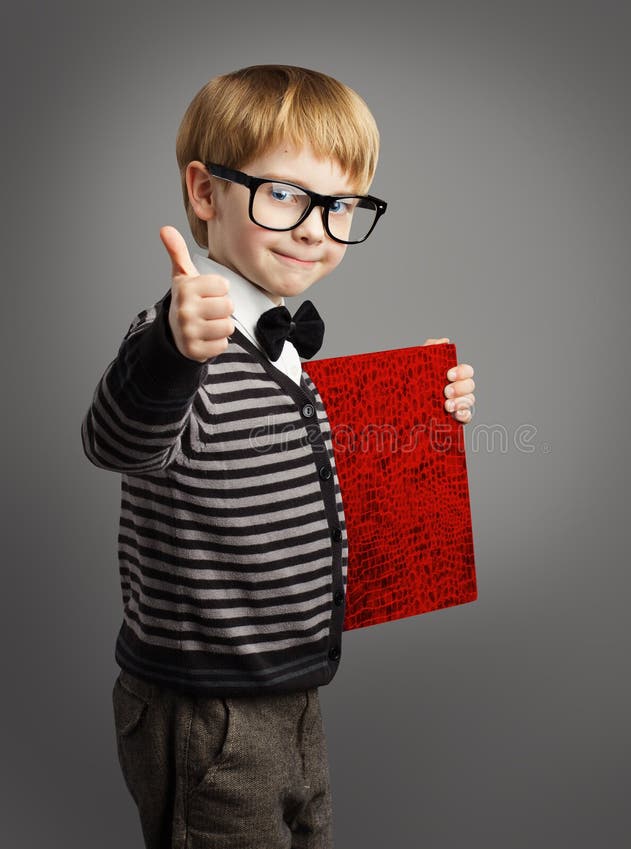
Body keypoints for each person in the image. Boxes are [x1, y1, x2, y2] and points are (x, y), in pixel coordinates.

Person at [82, 64, 476, 849]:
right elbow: (119, 438)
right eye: (286, 195)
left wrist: (423, 404)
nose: (313, 229)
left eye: (339, 207)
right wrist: (169, 347)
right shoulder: (181, 340)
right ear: (205, 194)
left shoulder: (286, 352)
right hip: (206, 707)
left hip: (294, 686)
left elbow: (310, 470)